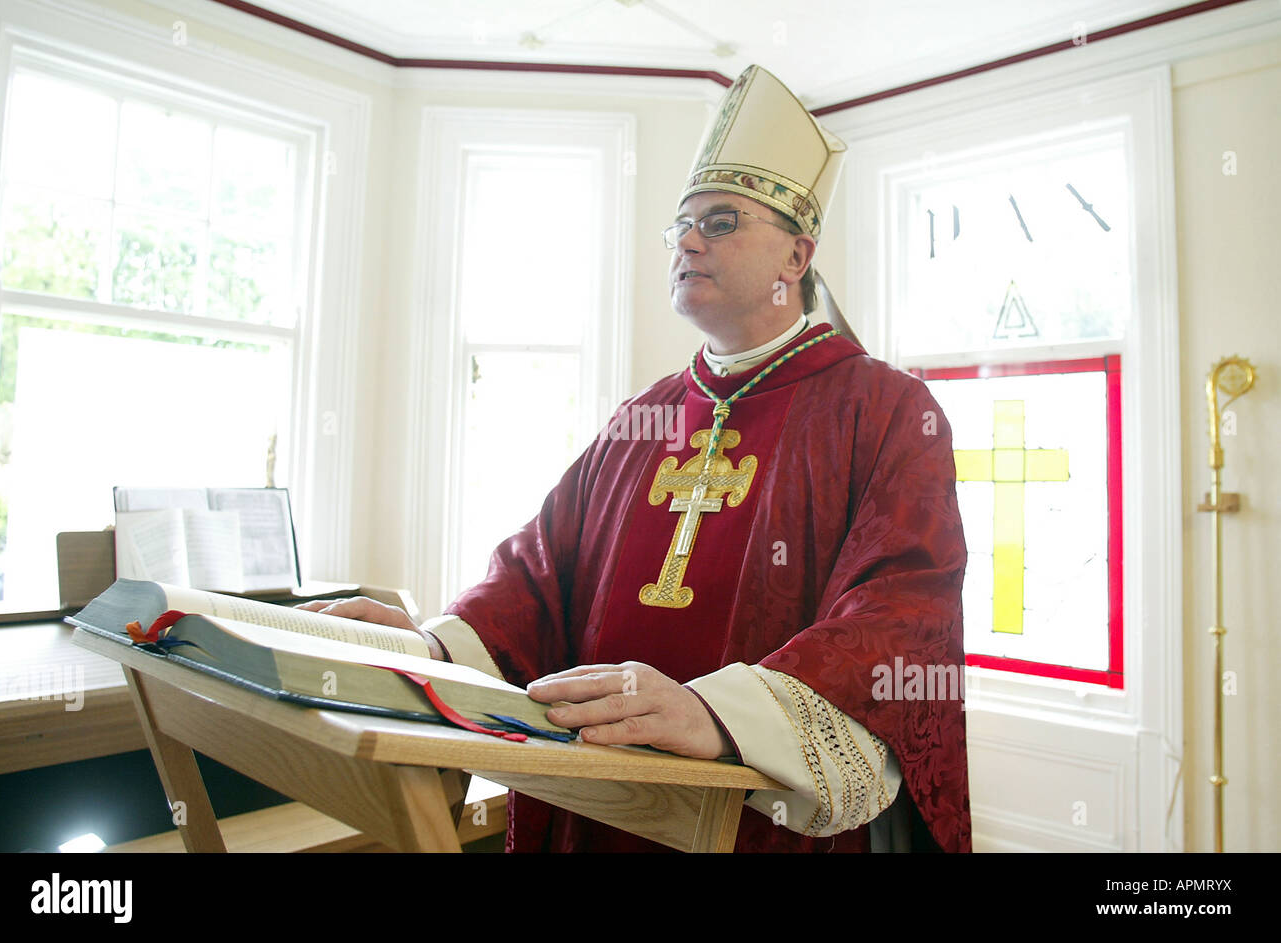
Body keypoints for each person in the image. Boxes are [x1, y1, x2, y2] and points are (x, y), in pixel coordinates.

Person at [305, 65, 971, 853]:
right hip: (594, 798)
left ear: (797, 256)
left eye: (721, 222)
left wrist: (718, 712)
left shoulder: (885, 410)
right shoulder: (643, 416)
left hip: (748, 819)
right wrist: (432, 645)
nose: (688, 240)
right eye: (680, 227)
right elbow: (537, 573)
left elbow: (901, 613)